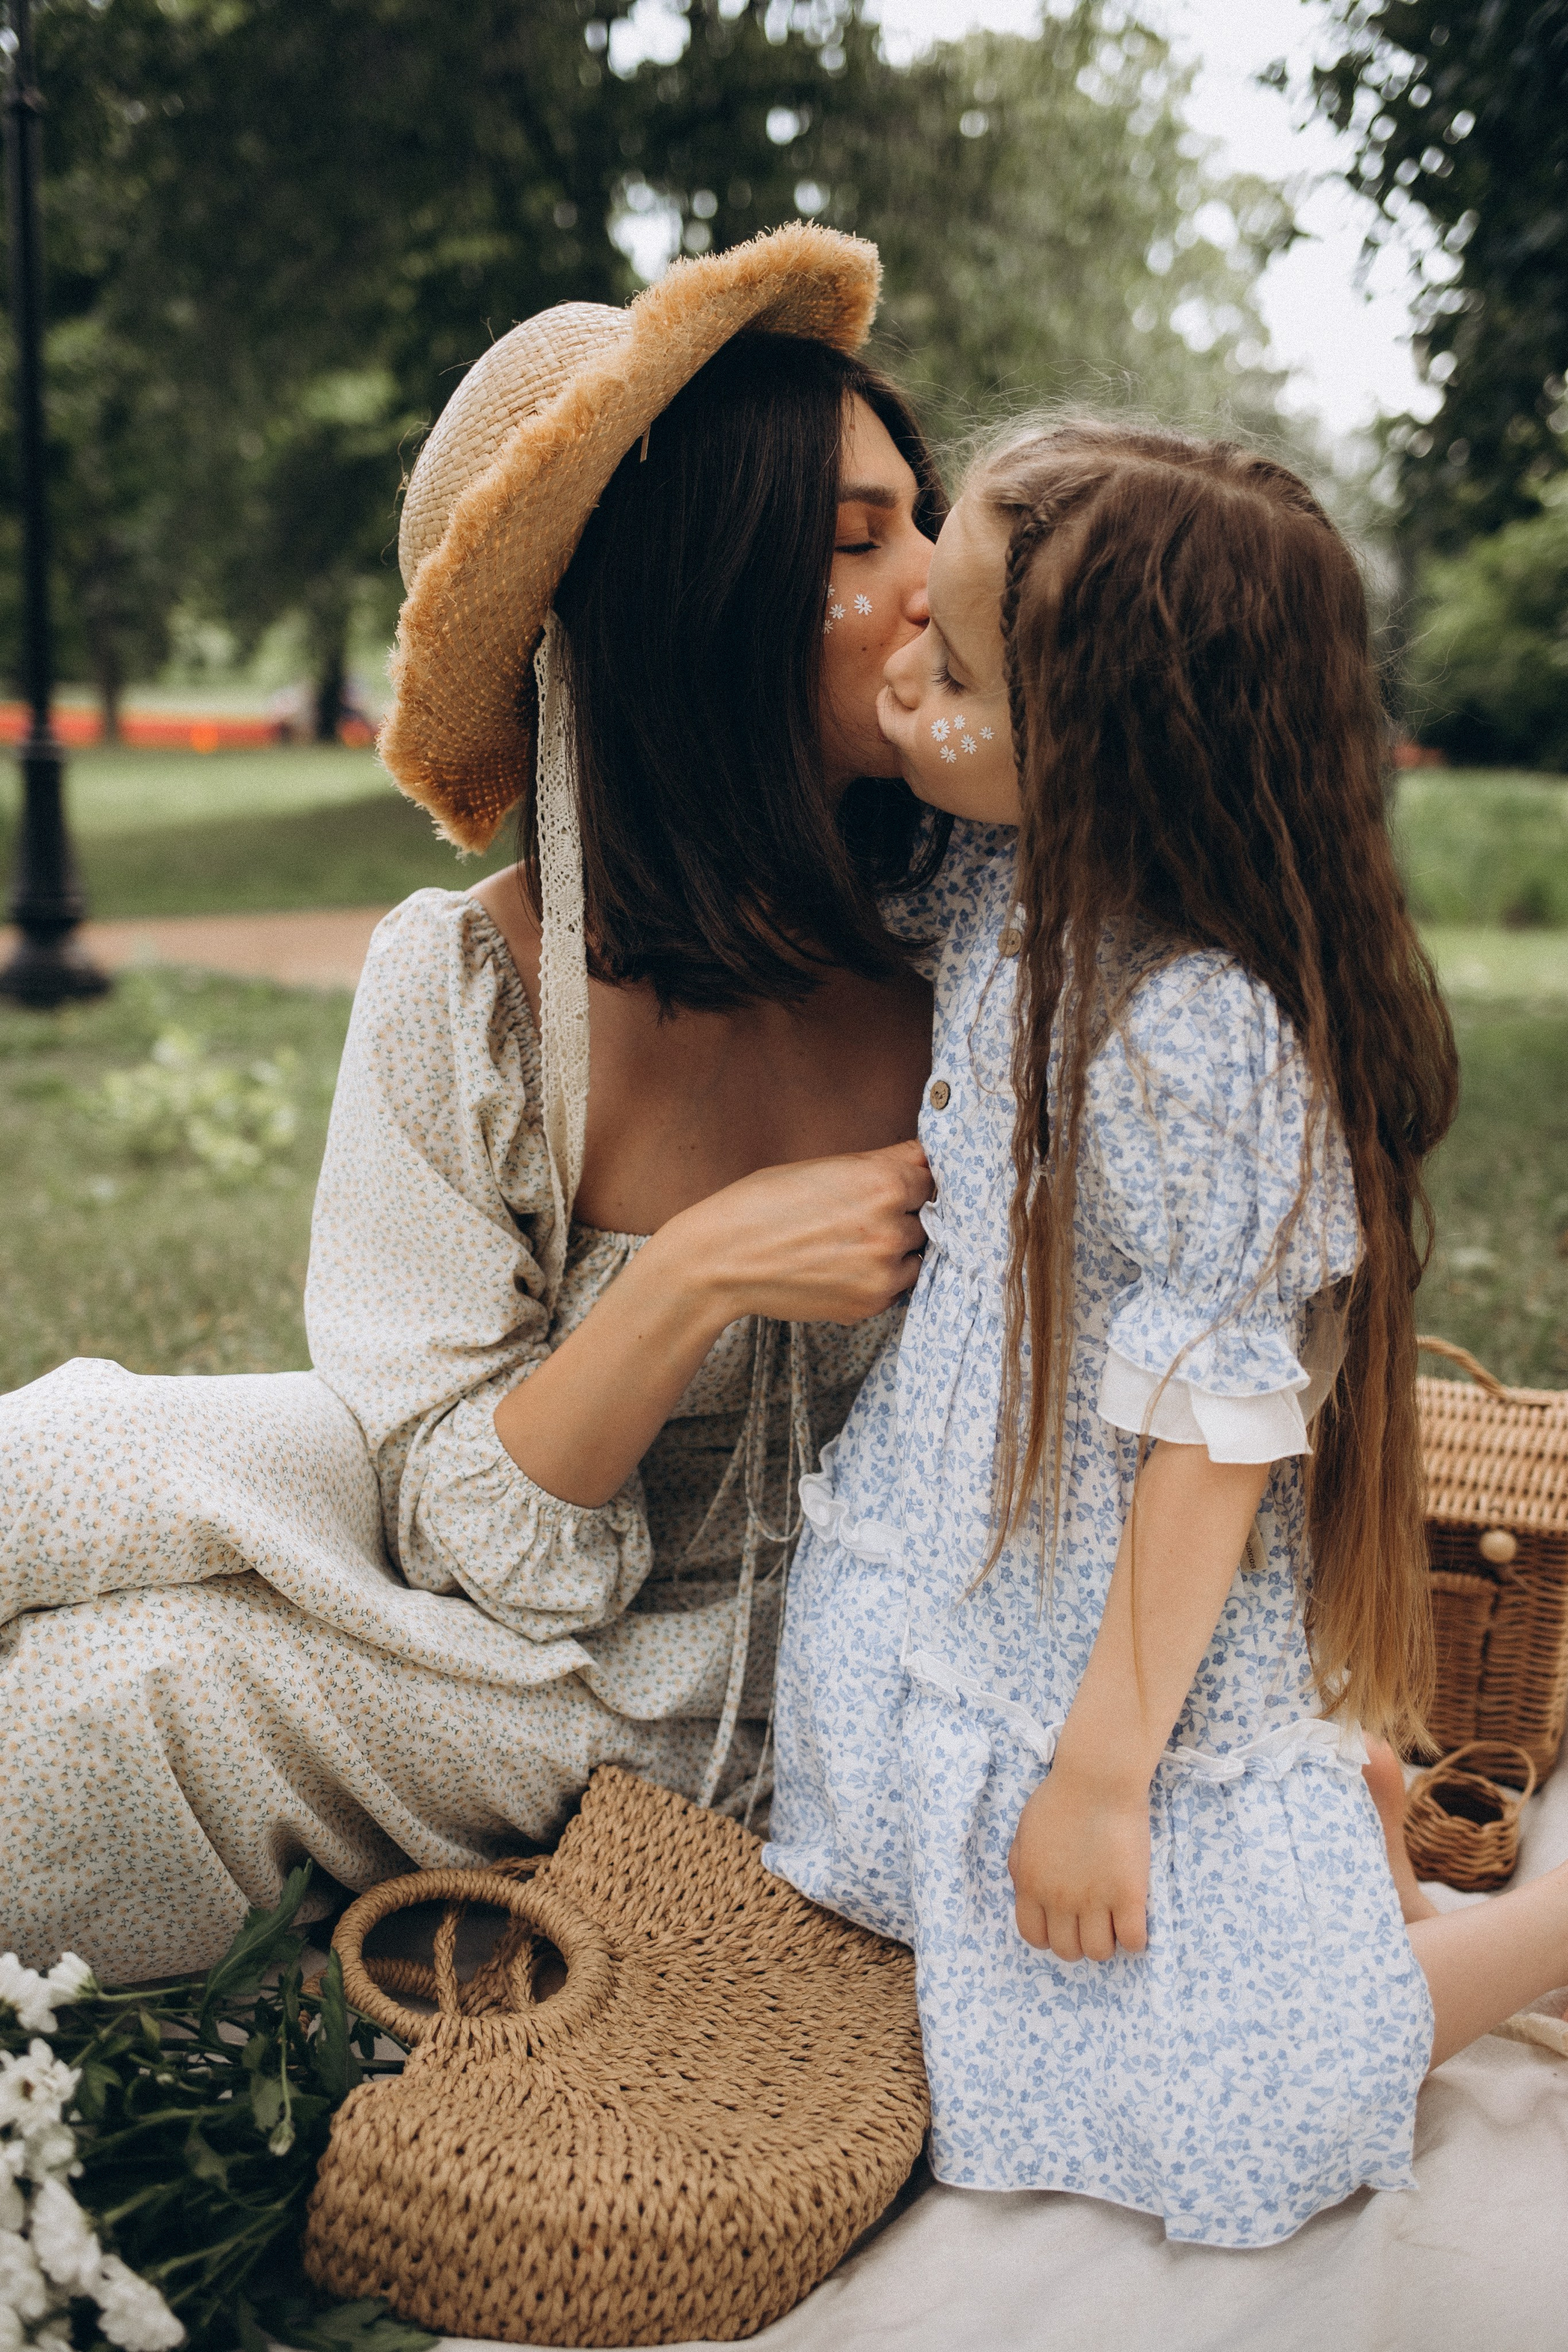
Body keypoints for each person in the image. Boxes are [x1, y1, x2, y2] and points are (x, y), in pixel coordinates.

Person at [0, 225, 948, 1982]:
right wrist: (689, 1279)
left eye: (926, 519)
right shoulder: (468, 991)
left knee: (111, 1714)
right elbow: (464, 1519)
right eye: (854, 543)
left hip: (727, 1668)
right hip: (486, 1525)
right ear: (693, 611)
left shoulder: (991, 950)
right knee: (52, 1460)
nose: (937, 584)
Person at [766, 419, 1568, 2249]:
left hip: (1121, 1642)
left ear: (1102, 754)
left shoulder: (1191, 1037)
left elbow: (1215, 1428)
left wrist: (1107, 1772)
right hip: (976, 1561)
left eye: (951, 666)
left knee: (1261, 2111)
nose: (903, 659)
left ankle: (1522, 1934)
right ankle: (1340, 1856)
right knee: (993, 1954)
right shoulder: (1015, 887)